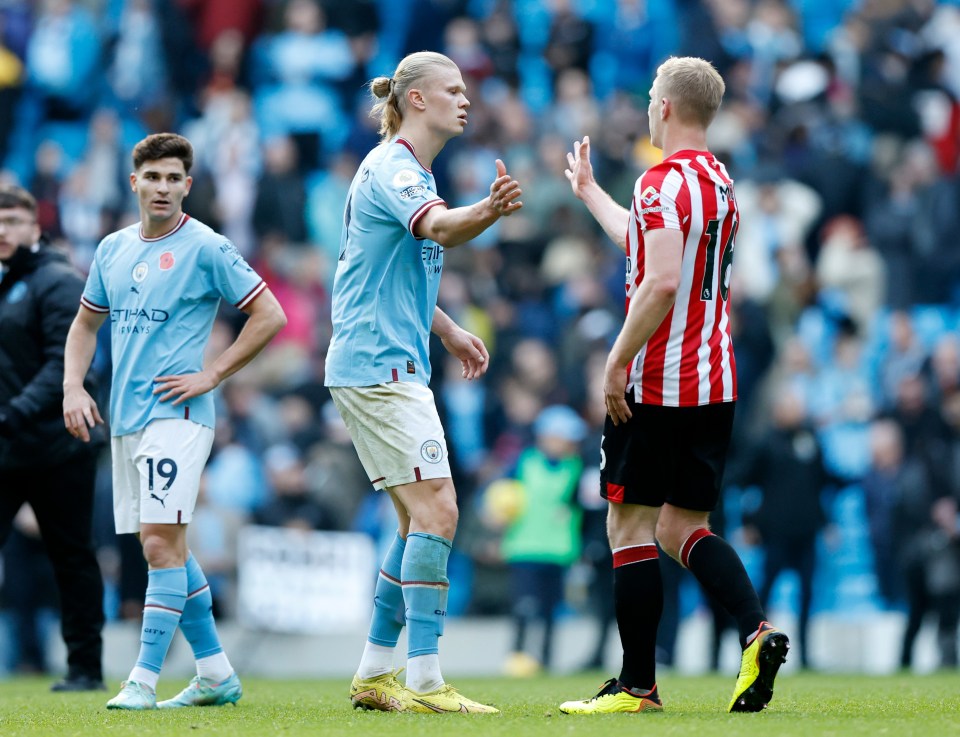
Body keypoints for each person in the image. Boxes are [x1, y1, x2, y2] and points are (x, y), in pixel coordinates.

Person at [558, 56, 789, 715]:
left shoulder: (659, 180)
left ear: (665, 107)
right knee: (683, 524)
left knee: (627, 524)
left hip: (658, 384)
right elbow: (651, 249)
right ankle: (756, 629)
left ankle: (638, 684)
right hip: (715, 382)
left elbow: (659, 282)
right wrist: (590, 191)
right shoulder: (720, 181)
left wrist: (615, 360)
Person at [325, 50, 521, 714]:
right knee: (440, 508)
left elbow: (383, 269)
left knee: (416, 520)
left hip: (386, 359)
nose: (465, 100)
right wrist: (489, 211)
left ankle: (375, 673)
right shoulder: (396, 169)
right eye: (454, 90)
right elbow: (439, 226)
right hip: (378, 366)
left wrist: (448, 329)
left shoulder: (401, 170)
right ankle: (428, 680)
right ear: (416, 100)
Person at [62, 133, 287, 710]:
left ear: (187, 186)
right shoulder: (112, 249)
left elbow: (269, 313)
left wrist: (213, 374)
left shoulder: (207, 246)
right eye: (152, 177)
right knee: (164, 548)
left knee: (161, 545)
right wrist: (72, 386)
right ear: (133, 181)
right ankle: (215, 673)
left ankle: (142, 679)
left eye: (173, 178)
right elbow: (85, 325)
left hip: (179, 416)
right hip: (127, 419)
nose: (162, 187)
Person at [0, 185, 106, 691]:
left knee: (72, 558)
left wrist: (12, 415)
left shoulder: (58, 282)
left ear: (35, 228)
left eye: (14, 220)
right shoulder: (6, 284)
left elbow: (62, 368)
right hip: (9, 444)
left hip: (59, 445)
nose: (3, 231)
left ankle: (85, 667)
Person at [501, 404, 585, 676]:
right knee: (524, 607)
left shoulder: (576, 468)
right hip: (524, 549)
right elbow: (499, 494)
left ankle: (547, 660)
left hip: (559, 550)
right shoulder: (524, 462)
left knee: (550, 611)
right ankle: (516, 656)